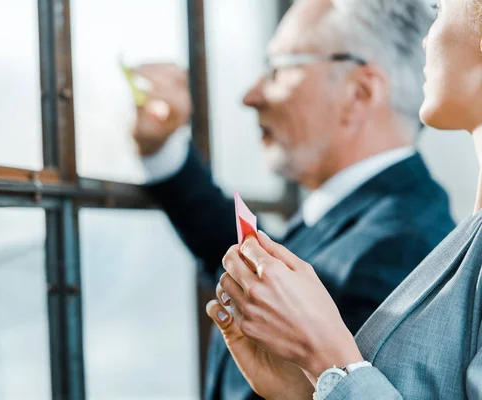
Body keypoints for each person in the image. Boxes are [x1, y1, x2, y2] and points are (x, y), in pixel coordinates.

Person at [130, 0, 454, 399]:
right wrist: (163, 151)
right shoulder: (374, 219)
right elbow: (246, 261)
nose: (249, 96)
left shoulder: (405, 249)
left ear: (359, 92)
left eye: (279, 69)